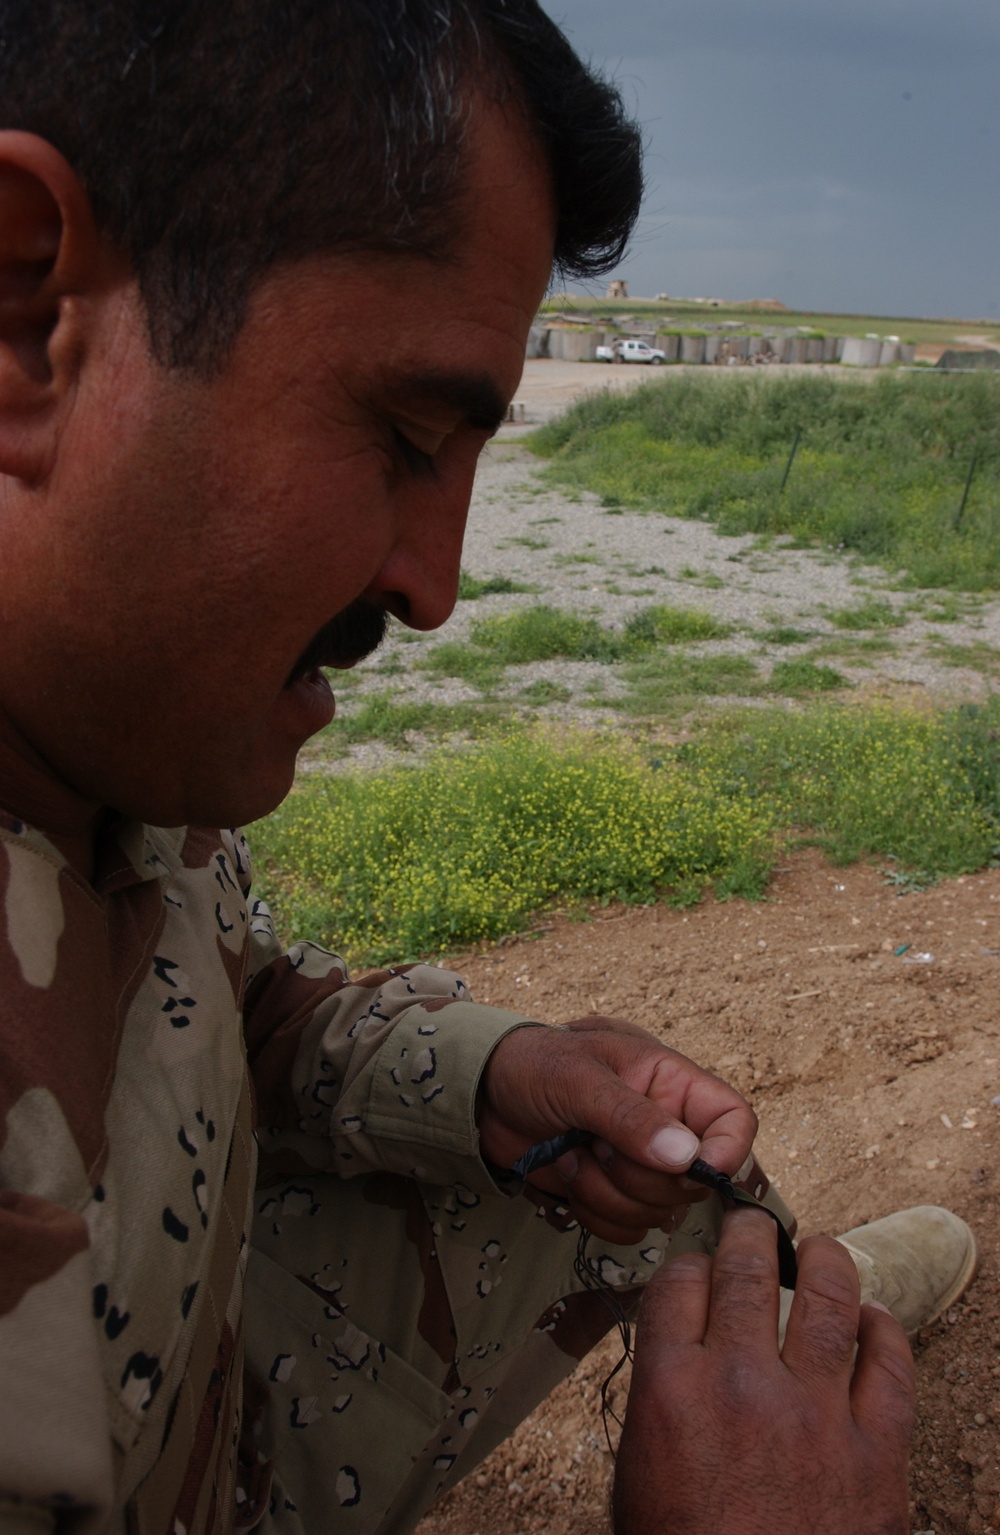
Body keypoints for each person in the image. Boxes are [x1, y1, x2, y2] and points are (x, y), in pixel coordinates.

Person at [0, 4, 975, 1534]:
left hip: (190, 1383)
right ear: (24, 309)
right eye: (403, 433)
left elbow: (211, 992)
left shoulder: (103, 730)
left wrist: (497, 1074)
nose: (437, 589)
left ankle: (792, 1301)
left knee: (643, 1206)